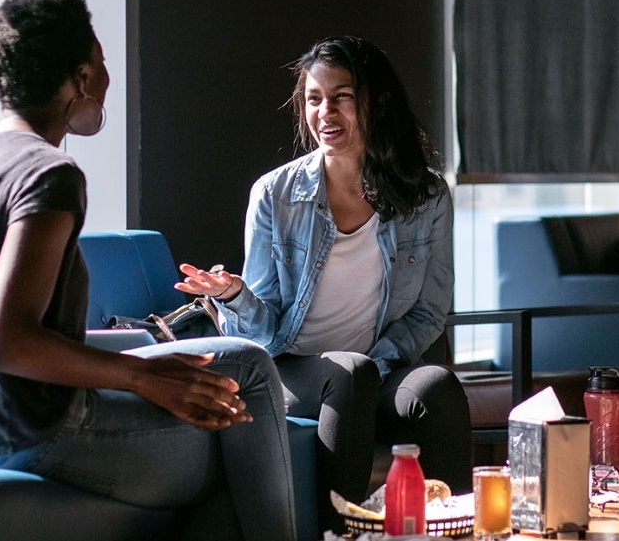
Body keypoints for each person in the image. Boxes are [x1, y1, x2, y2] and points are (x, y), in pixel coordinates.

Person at [0, 0, 296, 540]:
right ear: (83, 77)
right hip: (31, 436)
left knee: (236, 391)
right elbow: (6, 341)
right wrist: (142, 375)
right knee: (242, 421)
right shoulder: (48, 174)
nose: (106, 77)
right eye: (102, 61)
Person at [175, 36, 471, 532]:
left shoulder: (425, 195)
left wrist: (382, 362)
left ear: (376, 101)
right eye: (314, 99)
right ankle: (338, 532)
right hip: (295, 371)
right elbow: (265, 335)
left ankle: (456, 531)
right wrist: (232, 295)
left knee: (435, 385)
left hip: (378, 367)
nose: (324, 112)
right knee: (349, 373)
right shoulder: (275, 194)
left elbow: (429, 311)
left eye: (342, 97)